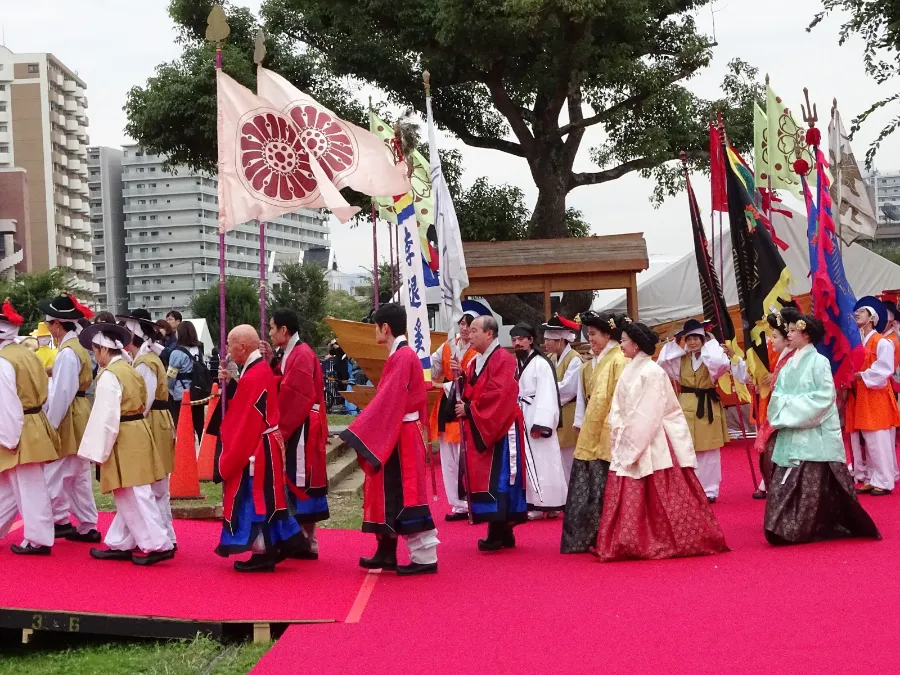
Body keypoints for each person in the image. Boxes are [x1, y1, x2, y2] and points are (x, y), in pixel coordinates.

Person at [596, 321, 728, 562]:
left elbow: (648, 412)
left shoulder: (653, 371)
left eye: (624, 340)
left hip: (653, 437)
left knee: (660, 490)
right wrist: (619, 428)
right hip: (632, 432)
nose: (622, 344)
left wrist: (629, 442)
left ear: (636, 345)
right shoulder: (631, 368)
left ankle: (658, 540)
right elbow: (619, 405)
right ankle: (629, 540)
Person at [764, 311, 881, 544]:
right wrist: (786, 407)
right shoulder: (788, 365)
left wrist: (789, 407)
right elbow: (777, 395)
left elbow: (825, 397)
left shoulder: (819, 361)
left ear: (806, 335)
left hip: (814, 434)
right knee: (787, 483)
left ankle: (801, 528)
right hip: (794, 430)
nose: (788, 333)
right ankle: (784, 527)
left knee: (812, 485)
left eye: (792, 330)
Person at [340, 304, 439, 576]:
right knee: (389, 491)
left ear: (385, 327)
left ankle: (424, 557)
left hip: (403, 434)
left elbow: (388, 400)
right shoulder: (403, 355)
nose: (375, 330)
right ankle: (386, 551)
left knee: (405, 493)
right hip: (400, 432)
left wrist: (358, 429)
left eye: (376, 325)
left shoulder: (402, 357)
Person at [77, 321, 174, 565]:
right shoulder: (129, 368)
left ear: (102, 350)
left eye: (95, 350)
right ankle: (121, 541)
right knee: (131, 493)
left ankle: (158, 543)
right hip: (136, 431)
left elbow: (106, 416)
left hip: (125, 436)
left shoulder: (111, 375)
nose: (95, 355)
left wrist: (98, 450)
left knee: (136, 494)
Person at [215, 325, 302, 572]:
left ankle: (263, 552)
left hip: (258, 446)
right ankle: (277, 545)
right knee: (268, 496)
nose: (228, 351)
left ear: (242, 347)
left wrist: (230, 453)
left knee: (256, 499)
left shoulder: (254, 374)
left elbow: (245, 420)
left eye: (230, 345)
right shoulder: (256, 370)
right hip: (266, 442)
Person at [456, 315, 528, 550]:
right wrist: (460, 381)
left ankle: (500, 529)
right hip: (485, 423)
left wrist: (469, 408)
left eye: (475, 330)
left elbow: (500, 395)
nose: (470, 334)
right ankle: (500, 530)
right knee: (487, 475)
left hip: (501, 424)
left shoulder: (504, 360)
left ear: (490, 333)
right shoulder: (475, 361)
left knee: (502, 476)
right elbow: (471, 388)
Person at [561, 311, 629, 554]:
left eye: (593, 334)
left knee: (606, 486)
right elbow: (584, 399)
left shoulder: (618, 360)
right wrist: (580, 422)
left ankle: (607, 534)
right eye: (588, 334)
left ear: (607, 335)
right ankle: (591, 535)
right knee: (592, 485)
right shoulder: (589, 366)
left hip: (609, 429)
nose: (590, 339)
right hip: (592, 429)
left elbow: (618, 399)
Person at [266, 309, 329, 558]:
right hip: (301, 423)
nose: (269, 333)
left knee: (301, 480)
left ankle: (306, 539)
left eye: (272, 328)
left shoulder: (301, 354)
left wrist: (279, 428)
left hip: (302, 424)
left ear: (284, 330)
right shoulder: (292, 352)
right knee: (298, 479)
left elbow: (295, 394)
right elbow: (283, 382)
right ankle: (302, 538)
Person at [0, 300, 61, 555]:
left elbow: (7, 404)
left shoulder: (4, 361)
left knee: (27, 487)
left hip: (17, 427)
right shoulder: (28, 354)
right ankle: (37, 536)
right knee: (11, 488)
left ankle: (38, 539)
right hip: (32, 422)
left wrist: (8, 439)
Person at [39, 294, 99, 544]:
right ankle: (86, 524)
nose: (49, 330)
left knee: (52, 472)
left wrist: (50, 426)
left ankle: (57, 520)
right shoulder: (79, 347)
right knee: (78, 473)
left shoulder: (66, 352)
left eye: (50, 324)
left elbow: (62, 392)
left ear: (57, 324)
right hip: (80, 409)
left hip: (69, 413)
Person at [657, 318, 737, 503]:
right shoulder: (681, 359)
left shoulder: (711, 361)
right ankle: (691, 487)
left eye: (696, 338)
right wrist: (676, 341)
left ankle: (709, 489)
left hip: (706, 404)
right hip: (685, 405)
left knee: (709, 450)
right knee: (685, 447)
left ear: (703, 340)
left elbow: (719, 362)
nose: (692, 342)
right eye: (689, 338)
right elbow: (663, 361)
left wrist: (710, 341)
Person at [120, 309, 177, 551]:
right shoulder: (145, 359)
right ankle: (163, 534)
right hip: (156, 420)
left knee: (154, 485)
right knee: (156, 486)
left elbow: (145, 400)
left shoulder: (145, 362)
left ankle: (160, 535)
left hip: (153, 422)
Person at [510, 322, 567, 519]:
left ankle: (547, 503)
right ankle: (534, 502)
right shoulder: (519, 363)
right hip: (523, 415)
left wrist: (541, 423)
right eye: (514, 340)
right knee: (529, 461)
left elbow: (547, 394)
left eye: (521, 339)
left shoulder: (541, 364)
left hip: (536, 416)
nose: (517, 343)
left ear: (531, 340)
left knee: (544, 461)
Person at [848, 297, 900, 496]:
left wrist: (861, 375)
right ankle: (873, 477)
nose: (857, 314)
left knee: (879, 440)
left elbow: (884, 369)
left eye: (861, 311)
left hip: (877, 395)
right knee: (870, 440)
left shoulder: (882, 342)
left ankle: (885, 480)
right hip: (864, 395)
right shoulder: (861, 342)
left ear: (871, 318)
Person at [429, 312, 478, 521]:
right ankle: (457, 504)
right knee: (448, 457)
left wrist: (448, 382)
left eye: (468, 325)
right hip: (447, 403)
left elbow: (476, 378)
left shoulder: (477, 349)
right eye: (462, 324)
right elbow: (433, 367)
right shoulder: (448, 345)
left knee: (464, 456)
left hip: (465, 402)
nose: (464, 328)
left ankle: (471, 500)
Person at [752, 309, 798, 499]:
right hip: (776, 410)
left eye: (775, 335)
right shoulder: (783, 355)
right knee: (772, 456)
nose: (772, 339)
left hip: (789, 415)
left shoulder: (794, 358)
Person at [541, 314, 583, 484]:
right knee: (556, 459)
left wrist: (545, 390)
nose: (546, 344)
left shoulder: (574, 359)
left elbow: (568, 389)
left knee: (568, 460)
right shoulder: (550, 359)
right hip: (555, 413)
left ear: (560, 340)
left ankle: (570, 498)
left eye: (549, 340)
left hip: (568, 413)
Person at [167, 320, 204, 440]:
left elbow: (171, 377)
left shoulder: (176, 353)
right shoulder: (198, 350)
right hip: (198, 393)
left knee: (184, 429)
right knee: (199, 425)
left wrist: (170, 390)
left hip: (181, 394)